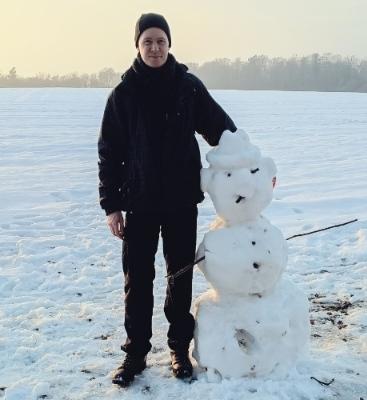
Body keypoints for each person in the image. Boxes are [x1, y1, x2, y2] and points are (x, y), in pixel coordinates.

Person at [97, 13, 237, 387]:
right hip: (139, 203)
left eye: (161, 41)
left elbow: (222, 130)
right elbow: (109, 153)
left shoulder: (187, 87)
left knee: (180, 276)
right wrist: (111, 206)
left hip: (180, 202)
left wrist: (250, 164)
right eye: (148, 42)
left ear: (169, 44)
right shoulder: (124, 94)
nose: (155, 48)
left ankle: (178, 349)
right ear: (138, 46)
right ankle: (136, 354)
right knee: (138, 280)